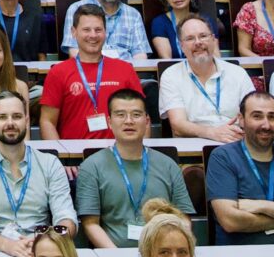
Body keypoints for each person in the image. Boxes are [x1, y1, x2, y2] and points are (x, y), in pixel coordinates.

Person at [0, 91, 76, 253]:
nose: (10, 123)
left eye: (16, 116)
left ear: (26, 120)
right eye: (2, 117)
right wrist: (4, 244)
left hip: (43, 250)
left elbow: (67, 219)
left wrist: (46, 241)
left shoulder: (50, 163)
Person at [75, 89, 190, 248]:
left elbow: (183, 219)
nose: (128, 121)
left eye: (136, 115)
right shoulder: (92, 166)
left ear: (147, 121)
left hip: (163, 256)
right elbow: (90, 224)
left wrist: (170, 251)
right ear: (109, 121)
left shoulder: (168, 165)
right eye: (120, 115)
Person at [40, 4, 142, 139]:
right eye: (86, 30)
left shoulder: (125, 69)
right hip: (75, 156)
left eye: (98, 30)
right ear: (74, 32)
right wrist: (59, 157)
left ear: (106, 32)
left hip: (119, 155)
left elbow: (142, 117)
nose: (93, 35)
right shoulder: (58, 72)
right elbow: (47, 122)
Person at [158, 15, 252, 141]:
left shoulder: (238, 73)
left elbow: (252, 114)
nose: (198, 42)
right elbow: (178, 125)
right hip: (193, 147)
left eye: (203, 36)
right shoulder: (171, 75)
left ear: (213, 39)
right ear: (181, 46)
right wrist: (213, 133)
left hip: (235, 141)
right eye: (190, 38)